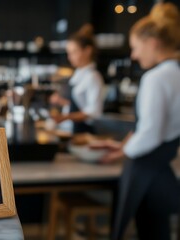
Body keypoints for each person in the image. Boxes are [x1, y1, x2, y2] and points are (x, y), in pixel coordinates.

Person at [92, 3, 180, 239]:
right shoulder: (175, 73)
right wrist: (122, 146)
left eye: (135, 47)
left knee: (147, 230)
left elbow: (151, 133)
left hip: (146, 169)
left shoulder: (156, 77)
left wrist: (122, 152)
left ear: (152, 43)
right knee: (157, 230)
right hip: (161, 165)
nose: (133, 55)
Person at [50, 24, 104, 133]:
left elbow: (94, 112)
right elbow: (79, 104)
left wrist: (66, 117)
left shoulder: (93, 77)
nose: (69, 57)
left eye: (74, 52)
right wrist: (62, 102)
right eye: (69, 53)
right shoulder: (78, 74)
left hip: (84, 133)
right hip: (70, 130)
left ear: (87, 51)